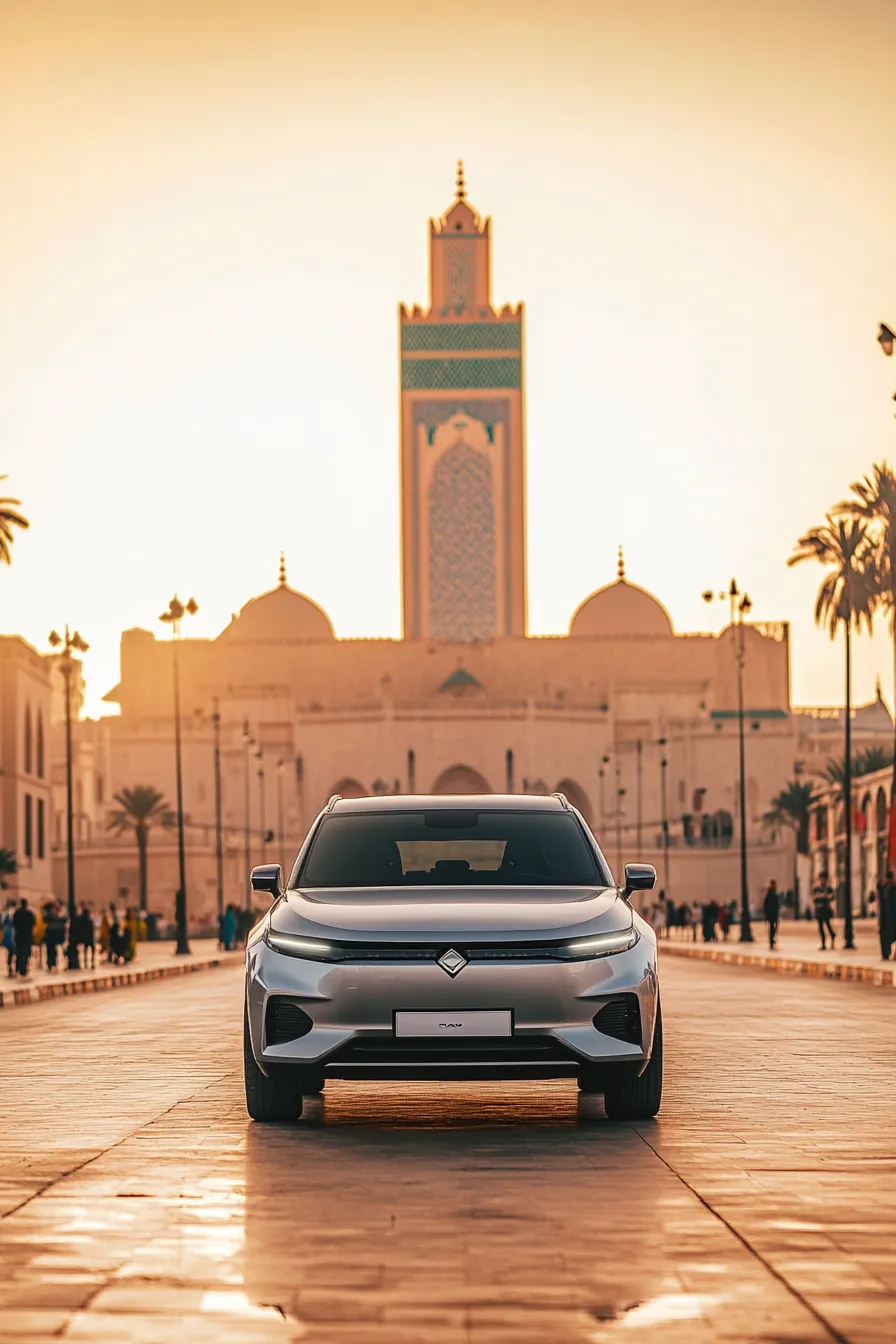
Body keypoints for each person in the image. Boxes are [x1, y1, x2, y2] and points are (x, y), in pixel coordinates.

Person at [12, 898, 35, 978]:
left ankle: (17, 968)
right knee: (26, 952)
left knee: (19, 952)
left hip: (19, 935)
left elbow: (14, 923)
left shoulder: (17, 913)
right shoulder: (29, 913)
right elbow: (33, 923)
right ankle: (23, 969)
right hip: (27, 935)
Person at [44, 902, 67, 971]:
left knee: (53, 951)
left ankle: (52, 964)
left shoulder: (58, 916)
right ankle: (51, 964)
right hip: (52, 936)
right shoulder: (50, 916)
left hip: (54, 936)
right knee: (52, 951)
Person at [813, 880, 836, 950]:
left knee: (828, 925)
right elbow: (814, 898)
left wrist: (824, 897)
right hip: (819, 911)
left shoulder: (828, 888)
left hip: (825, 910)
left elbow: (832, 897)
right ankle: (823, 944)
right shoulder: (816, 888)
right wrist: (824, 897)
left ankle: (832, 936)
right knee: (821, 927)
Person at [879, 870, 896, 961]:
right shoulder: (885, 888)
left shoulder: (885, 888)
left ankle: (886, 953)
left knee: (886, 936)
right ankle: (886, 953)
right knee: (887, 936)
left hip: (887, 917)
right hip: (888, 917)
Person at [763, 879, 780, 951]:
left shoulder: (774, 893)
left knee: (774, 928)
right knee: (772, 928)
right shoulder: (769, 894)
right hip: (771, 914)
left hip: (774, 913)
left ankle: (772, 939)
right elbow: (766, 904)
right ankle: (771, 941)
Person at [2, 901, 16, 977]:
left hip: (10, 934)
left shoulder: (6, 914)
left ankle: (11, 968)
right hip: (11, 935)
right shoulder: (7, 915)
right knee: (12, 952)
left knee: (11, 952)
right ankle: (11, 968)